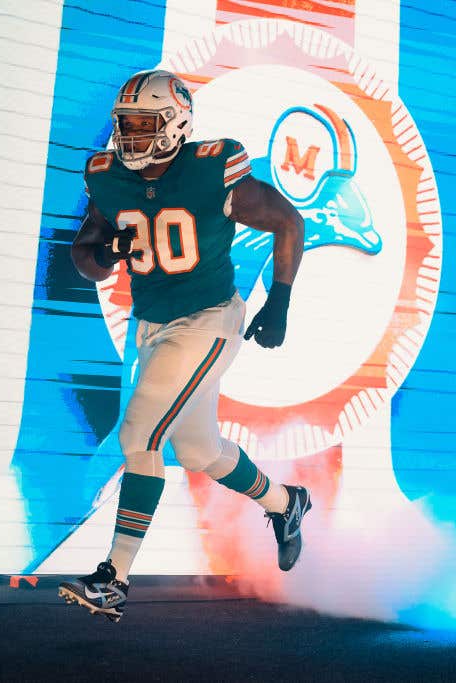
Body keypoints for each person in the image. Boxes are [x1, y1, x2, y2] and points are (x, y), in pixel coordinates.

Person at [57, 69, 310, 622]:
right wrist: (108, 253)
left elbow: (289, 221)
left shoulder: (211, 168)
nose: (130, 134)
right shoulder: (108, 175)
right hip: (153, 326)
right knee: (199, 451)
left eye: (143, 122)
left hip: (208, 319)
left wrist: (281, 301)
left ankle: (113, 577)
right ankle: (287, 504)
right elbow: (85, 257)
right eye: (125, 123)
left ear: (175, 123)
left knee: (139, 434)